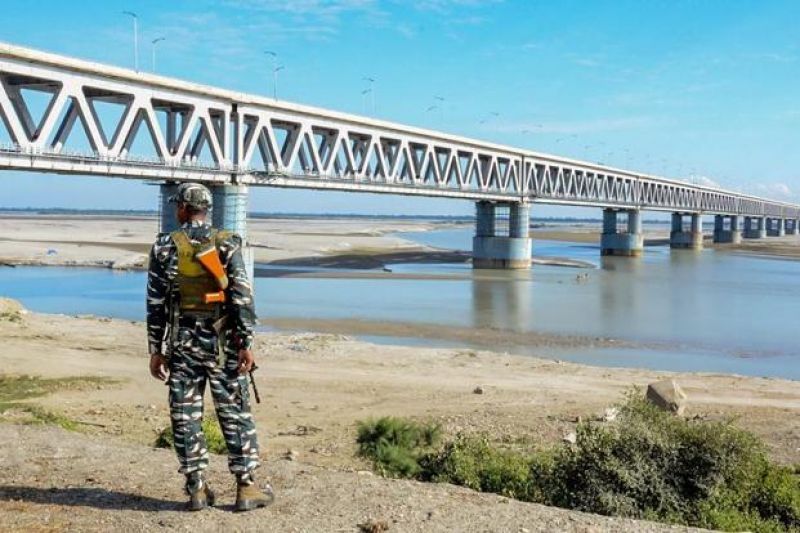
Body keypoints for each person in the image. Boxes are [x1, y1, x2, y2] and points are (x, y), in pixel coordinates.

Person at [146, 182, 273, 512]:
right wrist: (245, 344)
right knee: (235, 413)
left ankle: (197, 490)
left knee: (185, 414)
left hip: (182, 345)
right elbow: (242, 297)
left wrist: (155, 350)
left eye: (178, 206)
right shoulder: (227, 242)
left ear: (183, 209)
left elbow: (155, 304)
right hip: (223, 344)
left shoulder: (163, 247)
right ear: (206, 209)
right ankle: (246, 488)